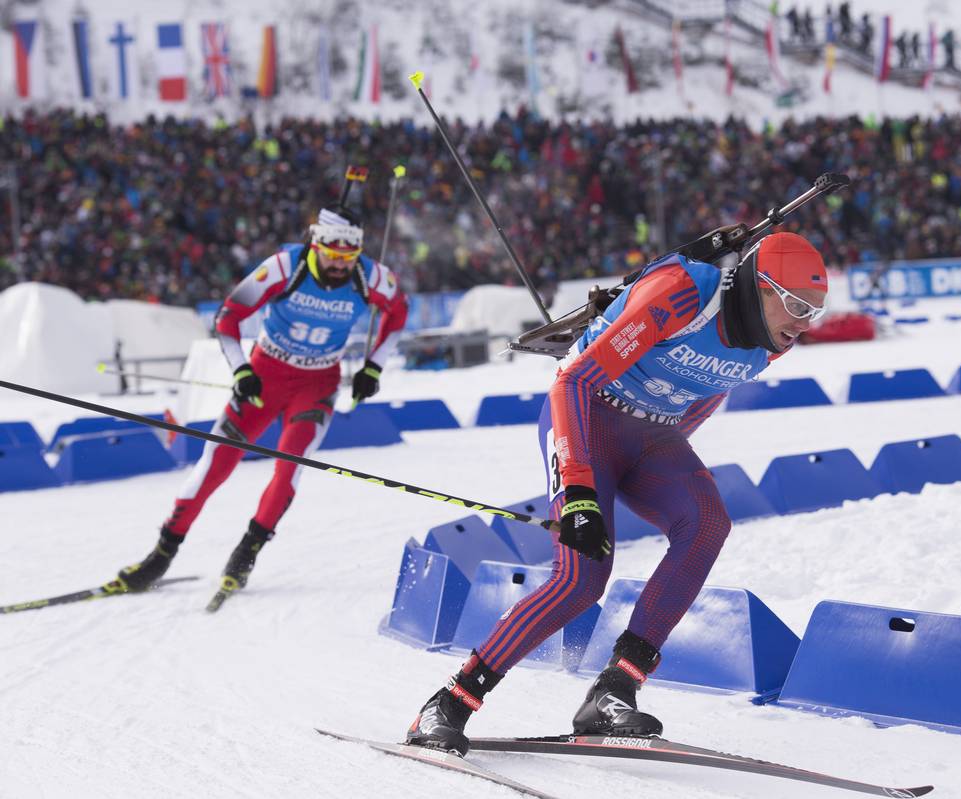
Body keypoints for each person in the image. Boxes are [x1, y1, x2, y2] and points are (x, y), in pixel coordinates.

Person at [406, 231, 828, 754]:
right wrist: (582, 488)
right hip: (586, 419)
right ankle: (447, 704)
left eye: (813, 311)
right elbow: (571, 383)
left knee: (706, 524)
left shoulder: (773, 340)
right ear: (756, 285)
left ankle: (614, 690)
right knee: (582, 580)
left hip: (650, 439)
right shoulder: (681, 293)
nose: (802, 323)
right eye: (793, 304)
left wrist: (660, 460)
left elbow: (706, 391)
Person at [115, 202, 408, 594]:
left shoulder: (372, 277)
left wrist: (373, 366)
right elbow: (227, 317)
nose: (340, 265)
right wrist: (241, 370)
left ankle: (247, 551)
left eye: (348, 256)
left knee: (289, 468)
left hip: (316, 386)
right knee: (215, 464)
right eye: (332, 255)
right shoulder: (286, 267)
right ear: (315, 244)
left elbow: (398, 314)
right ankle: (161, 555)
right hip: (266, 378)